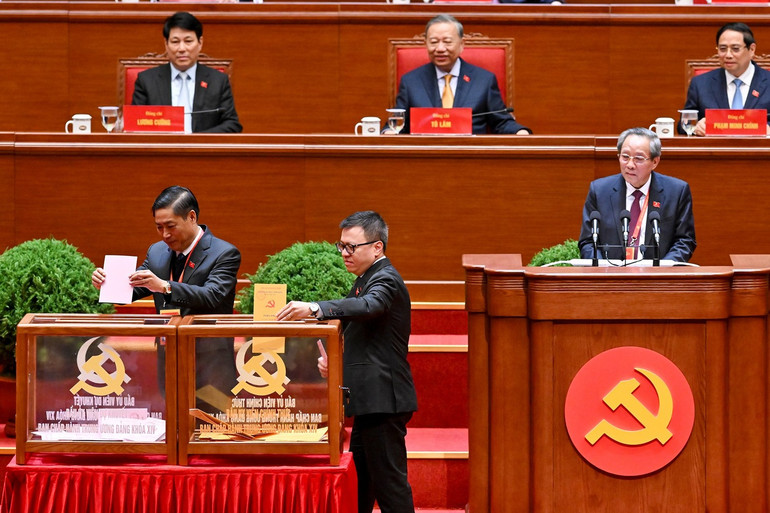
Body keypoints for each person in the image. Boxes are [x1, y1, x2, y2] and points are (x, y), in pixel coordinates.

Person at [276, 211, 417, 513]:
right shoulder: (365, 280)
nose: (344, 253)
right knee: (360, 485)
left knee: (390, 487)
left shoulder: (386, 279)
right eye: (341, 245)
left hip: (383, 401)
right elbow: (365, 338)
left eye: (351, 246)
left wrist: (315, 307)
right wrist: (338, 364)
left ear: (377, 247)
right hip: (370, 402)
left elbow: (369, 306)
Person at [92, 185, 241, 405]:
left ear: (192, 217)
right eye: (159, 227)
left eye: (170, 226)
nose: (165, 235)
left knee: (211, 421)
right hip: (168, 354)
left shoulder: (224, 253)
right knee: (171, 416)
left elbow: (212, 296)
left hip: (210, 361)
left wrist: (165, 287)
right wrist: (106, 283)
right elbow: (134, 288)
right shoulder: (157, 251)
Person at [392, 14, 531, 135]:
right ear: (426, 44)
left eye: (447, 42)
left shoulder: (484, 80)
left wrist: (520, 132)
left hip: (471, 153)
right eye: (433, 42)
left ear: (461, 44)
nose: (440, 49)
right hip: (425, 153)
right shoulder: (411, 81)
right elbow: (397, 124)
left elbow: (501, 122)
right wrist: (389, 132)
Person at [578, 127, 696, 262]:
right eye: (625, 157)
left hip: (657, 273)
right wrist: (603, 268)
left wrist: (662, 268)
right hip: (610, 273)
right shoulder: (599, 191)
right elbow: (587, 242)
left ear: (655, 162)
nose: (630, 165)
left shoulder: (676, 192)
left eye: (638, 158)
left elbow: (684, 241)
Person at [132, 12, 242, 134]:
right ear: (166, 44)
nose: (182, 49)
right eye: (175, 42)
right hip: (161, 145)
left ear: (200, 43)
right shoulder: (146, 81)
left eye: (188, 41)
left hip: (202, 145)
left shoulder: (218, 81)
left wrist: (195, 141)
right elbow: (136, 125)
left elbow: (232, 124)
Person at [681, 22, 770, 136]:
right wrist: (695, 127)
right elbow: (684, 124)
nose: (728, 55)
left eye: (735, 49)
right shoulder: (700, 84)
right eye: (722, 49)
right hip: (715, 147)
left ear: (751, 49)